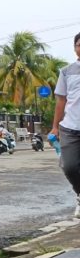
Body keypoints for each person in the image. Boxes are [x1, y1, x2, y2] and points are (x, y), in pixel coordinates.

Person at [51, 32, 80, 218]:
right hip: (70, 128)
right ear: (75, 48)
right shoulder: (67, 71)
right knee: (69, 167)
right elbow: (61, 101)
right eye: (79, 44)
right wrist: (55, 126)